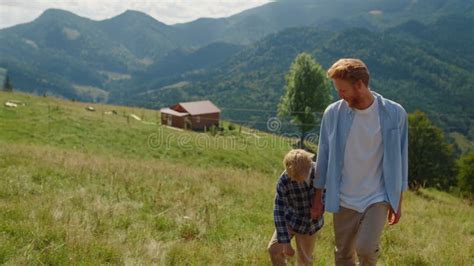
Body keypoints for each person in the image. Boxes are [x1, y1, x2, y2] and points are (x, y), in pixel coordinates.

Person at [311, 58, 408, 266]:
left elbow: (401, 159)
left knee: (365, 248)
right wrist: (318, 197)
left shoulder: (395, 114)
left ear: (360, 85)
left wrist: (397, 201)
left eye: (342, 90)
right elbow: (324, 156)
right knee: (343, 254)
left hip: (377, 196)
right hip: (344, 197)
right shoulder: (333, 114)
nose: (339, 95)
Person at [268, 149, 324, 266]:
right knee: (274, 250)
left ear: (309, 167)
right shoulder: (284, 180)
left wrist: (321, 206)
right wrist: (286, 242)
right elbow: (279, 210)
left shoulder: (320, 172)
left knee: (304, 262)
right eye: (293, 177)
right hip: (291, 220)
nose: (294, 180)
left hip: (309, 226)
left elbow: (329, 194)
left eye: (298, 178)